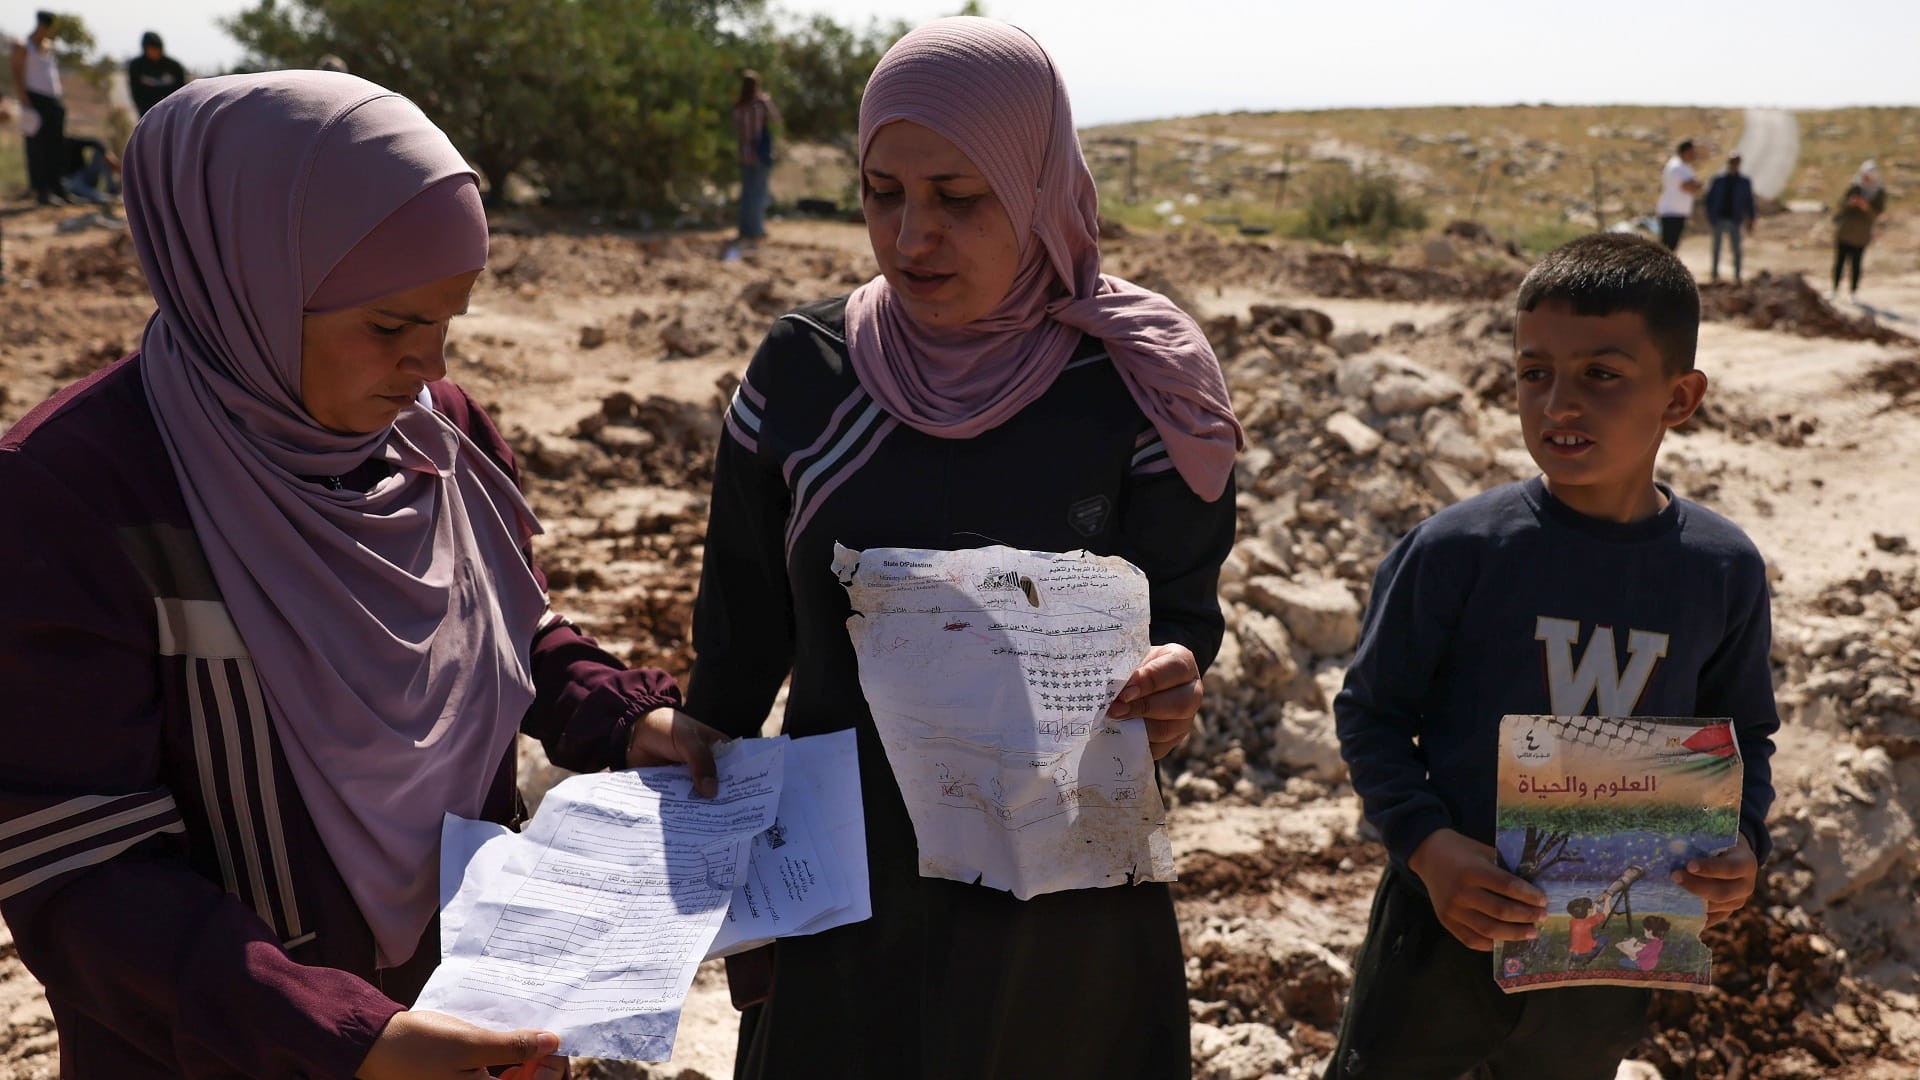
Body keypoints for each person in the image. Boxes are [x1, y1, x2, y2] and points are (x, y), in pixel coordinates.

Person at [0, 70, 729, 1079]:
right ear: (246, 283)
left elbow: (509, 629)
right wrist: (349, 1038)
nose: (427, 366)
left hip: (468, 1008)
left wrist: (615, 714)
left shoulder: (439, 438)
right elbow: (82, 872)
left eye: (448, 323)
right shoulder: (82, 496)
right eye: (388, 327)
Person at [688, 17, 1241, 1079]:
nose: (910, 237)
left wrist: (1173, 672)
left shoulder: (1136, 389)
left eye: (958, 196)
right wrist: (738, 912)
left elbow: (1181, 610)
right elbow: (738, 654)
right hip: (842, 895)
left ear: (1036, 185)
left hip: (1058, 903)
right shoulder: (805, 380)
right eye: (881, 192)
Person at [1325, 232, 1778, 1080]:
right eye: (1535, 373)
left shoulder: (1721, 570)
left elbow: (1744, 732)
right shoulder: (1457, 550)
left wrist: (1744, 840)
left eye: (1602, 374)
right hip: (1443, 934)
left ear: (1679, 398)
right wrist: (1428, 849)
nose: (1559, 403)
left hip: (1611, 949)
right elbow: (1371, 714)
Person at [10, 10, 66, 205]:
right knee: (37, 148)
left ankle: (57, 188)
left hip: (53, 100)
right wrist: (25, 102)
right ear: (42, 25)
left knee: (55, 146)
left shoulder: (49, 46)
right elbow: (17, 74)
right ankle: (41, 192)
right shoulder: (23, 45)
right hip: (34, 100)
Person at [732, 70, 780, 241]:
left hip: (743, 153)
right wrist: (767, 101)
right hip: (759, 152)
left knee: (747, 192)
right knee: (759, 191)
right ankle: (756, 229)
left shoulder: (738, 106)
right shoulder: (759, 104)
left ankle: (745, 229)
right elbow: (777, 119)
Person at [1832, 160, 1887, 301]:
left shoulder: (1879, 193)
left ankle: (1853, 292)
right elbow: (1841, 205)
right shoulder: (1855, 188)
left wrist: (1866, 207)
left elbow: (1877, 213)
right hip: (1845, 231)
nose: (1866, 179)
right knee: (1839, 262)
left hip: (1861, 235)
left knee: (1856, 264)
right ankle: (1835, 289)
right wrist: (1850, 203)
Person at [1703, 152, 1756, 283]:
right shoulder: (1718, 180)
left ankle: (1737, 276)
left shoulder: (1744, 182)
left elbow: (1749, 201)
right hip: (1719, 219)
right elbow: (1708, 200)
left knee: (1737, 249)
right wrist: (1711, 217)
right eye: (1732, 163)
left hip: (1735, 220)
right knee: (1716, 248)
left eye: (1736, 163)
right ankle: (1715, 275)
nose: (1734, 166)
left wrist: (1751, 218)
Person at [127, 30, 187, 117]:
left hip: (172, 113)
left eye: (156, 48)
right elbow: (135, 92)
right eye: (151, 49)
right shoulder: (137, 66)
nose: (154, 51)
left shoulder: (174, 66)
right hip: (147, 114)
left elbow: (183, 91)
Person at [1656, 138, 1702, 252]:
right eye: (1692, 151)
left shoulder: (1685, 166)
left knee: (1672, 247)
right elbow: (1687, 186)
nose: (1694, 154)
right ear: (1686, 151)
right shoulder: (1676, 166)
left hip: (1678, 213)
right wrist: (1696, 185)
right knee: (1667, 248)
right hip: (1671, 213)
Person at [61, 133, 120, 203]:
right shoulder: (48, 149)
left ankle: (112, 190)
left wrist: (109, 156)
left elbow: (95, 143)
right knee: (74, 185)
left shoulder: (69, 141)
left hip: (84, 175)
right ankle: (105, 199)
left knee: (100, 153)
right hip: (70, 182)